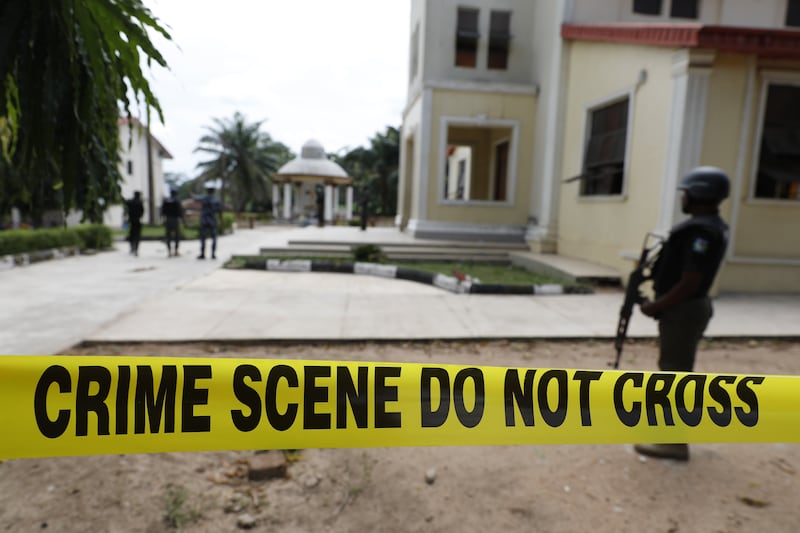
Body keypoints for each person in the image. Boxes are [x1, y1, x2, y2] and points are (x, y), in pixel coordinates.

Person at [635, 166, 730, 461]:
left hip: (684, 309)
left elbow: (689, 282)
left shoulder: (702, 232)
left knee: (675, 375)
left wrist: (658, 305)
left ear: (700, 193)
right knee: (675, 370)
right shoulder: (707, 225)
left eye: (686, 192)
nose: (683, 198)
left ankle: (672, 443)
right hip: (686, 308)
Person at [197, 186, 222, 260]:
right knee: (214, 238)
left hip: (204, 220)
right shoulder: (216, 200)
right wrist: (221, 220)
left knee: (203, 238)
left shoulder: (204, 198)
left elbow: (195, 198)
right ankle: (213, 254)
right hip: (212, 220)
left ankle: (202, 254)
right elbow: (220, 211)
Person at [161, 189, 184, 257]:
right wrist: (182, 219)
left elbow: (163, 211)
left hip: (168, 219)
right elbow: (180, 211)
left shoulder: (166, 200)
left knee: (168, 236)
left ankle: (169, 251)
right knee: (176, 236)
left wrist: (163, 219)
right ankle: (176, 250)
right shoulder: (177, 201)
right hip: (175, 220)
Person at [125, 191, 144, 256]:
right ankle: (136, 249)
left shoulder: (130, 202)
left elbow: (126, 207)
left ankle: (132, 247)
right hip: (137, 220)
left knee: (132, 234)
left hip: (131, 220)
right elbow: (142, 211)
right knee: (137, 235)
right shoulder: (139, 202)